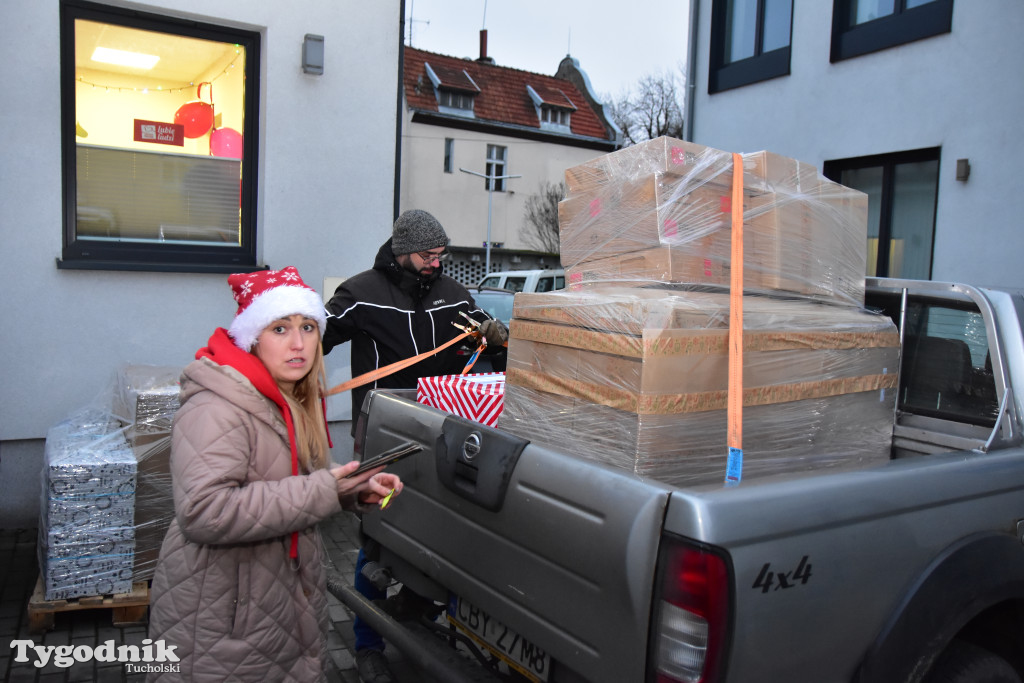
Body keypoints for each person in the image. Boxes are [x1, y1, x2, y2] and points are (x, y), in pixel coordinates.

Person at [148, 266, 403, 683]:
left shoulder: (282, 399)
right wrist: (324, 489)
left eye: (308, 327)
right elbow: (203, 511)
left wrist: (350, 489)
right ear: (252, 337)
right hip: (223, 620)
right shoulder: (217, 407)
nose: (299, 343)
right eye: (280, 329)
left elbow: (287, 481)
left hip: (274, 604)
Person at [323, 209, 508, 683]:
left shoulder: (454, 296)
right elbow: (311, 337)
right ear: (402, 249)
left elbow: (494, 349)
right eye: (428, 254)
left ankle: (415, 605)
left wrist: (498, 340)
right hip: (382, 434)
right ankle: (367, 644)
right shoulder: (360, 293)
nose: (436, 263)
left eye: (441, 254)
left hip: (443, 436)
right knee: (377, 534)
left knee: (439, 532)